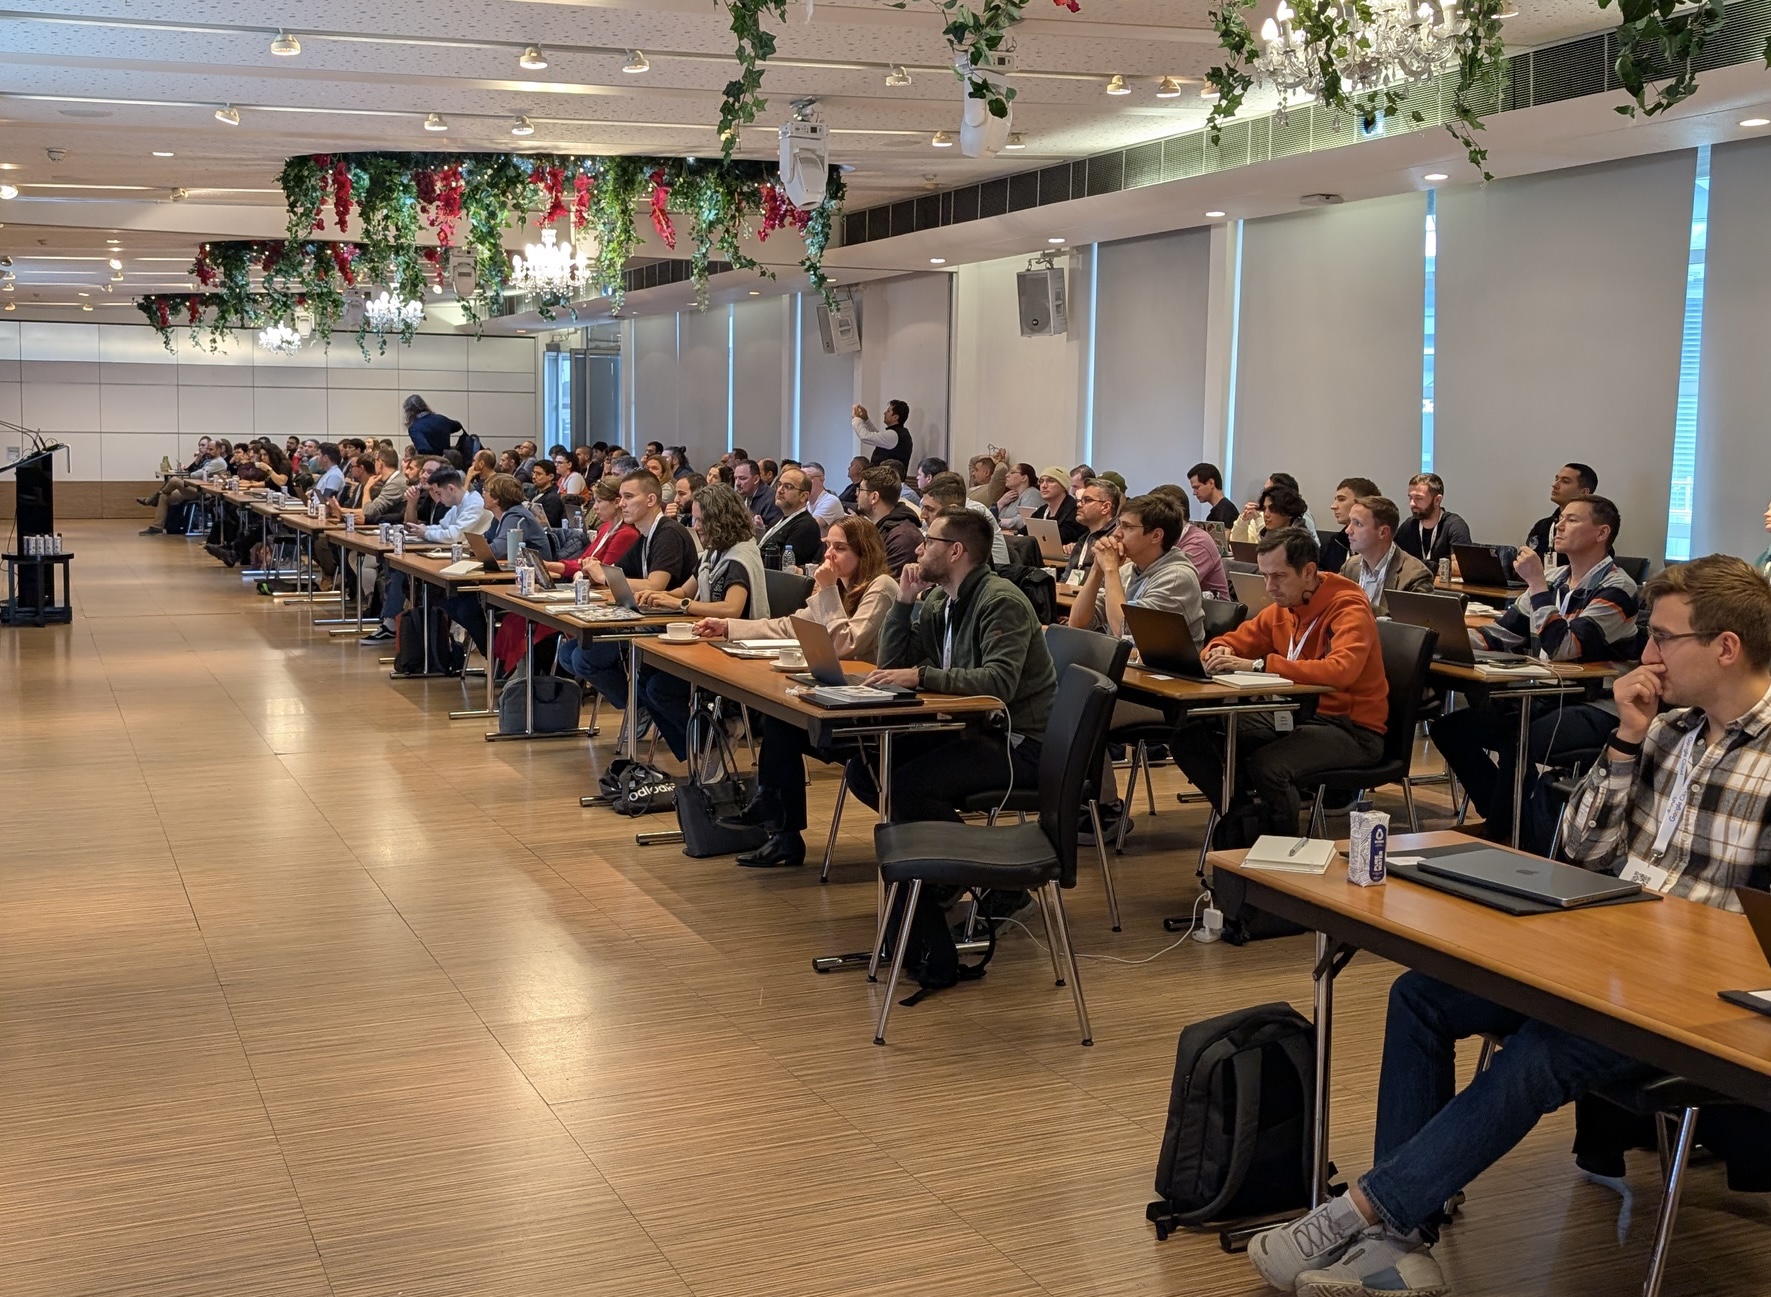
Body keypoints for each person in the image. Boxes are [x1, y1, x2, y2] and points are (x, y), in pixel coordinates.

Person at [1246, 553, 1771, 1297]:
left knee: (1540, 1052)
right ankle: (1402, 1237)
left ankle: (1365, 1212)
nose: (1647, 653)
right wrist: (1625, 738)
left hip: (1692, 996)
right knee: (1420, 995)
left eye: (1662, 638)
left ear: (1725, 647)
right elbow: (1581, 849)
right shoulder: (1669, 732)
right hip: (1607, 952)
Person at [1430, 495, 1641, 846]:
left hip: (1596, 704)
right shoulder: (1555, 578)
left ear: (1602, 532)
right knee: (1451, 729)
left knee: (1517, 738)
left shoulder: (1618, 588)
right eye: (1560, 518)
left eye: (1572, 519)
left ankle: (1503, 830)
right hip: (1546, 696)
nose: (1559, 525)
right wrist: (1448, 640)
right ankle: (1508, 821)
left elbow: (1565, 648)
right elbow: (1502, 634)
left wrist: (1538, 587)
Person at [706, 517, 901, 867]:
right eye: (828, 546)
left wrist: (826, 592)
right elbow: (790, 626)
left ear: (864, 552)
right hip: (836, 693)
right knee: (781, 719)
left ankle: (777, 820)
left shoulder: (881, 587)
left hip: (868, 709)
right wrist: (729, 626)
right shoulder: (837, 588)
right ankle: (782, 832)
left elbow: (847, 644)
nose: (829, 555)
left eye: (840, 548)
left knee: (785, 724)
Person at [846, 508, 1058, 825]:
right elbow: (891, 666)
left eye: (929, 541)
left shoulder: (1001, 602)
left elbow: (998, 684)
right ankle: (932, 850)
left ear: (955, 551)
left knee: (908, 787)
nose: (919, 549)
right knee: (866, 770)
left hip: (1018, 741)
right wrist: (903, 601)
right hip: (972, 728)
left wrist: (921, 675)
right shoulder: (939, 600)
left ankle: (956, 853)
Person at [1174, 528, 1388, 838]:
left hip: (1351, 728)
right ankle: (1243, 818)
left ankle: (1280, 848)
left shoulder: (1348, 608)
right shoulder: (1284, 608)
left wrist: (1262, 664)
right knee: (1191, 738)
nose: (1269, 586)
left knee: (1269, 766)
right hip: (1297, 714)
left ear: (1308, 572)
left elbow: (1342, 671)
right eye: (1264, 576)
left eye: (1278, 576)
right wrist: (1219, 649)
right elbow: (1235, 640)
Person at [633, 484, 771, 762]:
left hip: (735, 650)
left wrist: (681, 604)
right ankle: (704, 745)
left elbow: (731, 608)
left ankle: (715, 736)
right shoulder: (713, 554)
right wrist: (657, 598)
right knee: (645, 676)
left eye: (700, 520)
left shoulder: (740, 557)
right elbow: (685, 591)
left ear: (720, 520)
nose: (695, 527)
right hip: (709, 642)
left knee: (660, 688)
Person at [554, 470, 699, 712]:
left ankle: (640, 707)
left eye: (629, 497)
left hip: (667, 623)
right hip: (642, 616)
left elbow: (655, 584)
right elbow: (616, 572)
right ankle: (640, 704)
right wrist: (596, 571)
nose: (622, 503)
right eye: (621, 497)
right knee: (569, 653)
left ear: (651, 500)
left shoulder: (668, 532)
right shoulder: (644, 536)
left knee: (583, 657)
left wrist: (603, 575)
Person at [1067, 491, 1205, 644]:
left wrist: (1110, 570)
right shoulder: (1127, 570)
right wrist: (1097, 570)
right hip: (1121, 656)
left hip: (1159, 660)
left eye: (1127, 526)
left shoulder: (1177, 578)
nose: (1116, 533)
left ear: (1156, 536)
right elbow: (1077, 622)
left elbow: (1125, 633)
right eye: (1119, 524)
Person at [445, 474, 546, 662]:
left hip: (531, 582)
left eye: (485, 491)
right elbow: (485, 544)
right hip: (508, 576)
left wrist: (477, 550)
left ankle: (495, 657)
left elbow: (497, 550)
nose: (482, 494)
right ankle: (493, 654)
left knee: (465, 605)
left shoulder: (516, 516)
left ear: (497, 498)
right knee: (454, 600)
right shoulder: (499, 517)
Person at [1340, 495, 1434, 616]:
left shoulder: (1415, 575)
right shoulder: (1350, 566)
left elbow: (1412, 623)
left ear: (1383, 532)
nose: (1348, 530)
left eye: (1358, 524)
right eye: (1350, 522)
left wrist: (1358, 604)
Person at [1151, 484, 1231, 599]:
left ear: (1177, 514)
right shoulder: (1166, 538)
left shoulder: (1198, 542)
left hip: (1210, 609)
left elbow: (1172, 585)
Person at [919, 472, 1009, 567]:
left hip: (995, 570)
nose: (922, 515)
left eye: (930, 509)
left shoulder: (972, 517)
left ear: (952, 509)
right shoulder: (934, 519)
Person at [854, 466, 925, 575]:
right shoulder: (883, 529)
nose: (856, 494)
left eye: (860, 489)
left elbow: (885, 582)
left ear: (874, 497)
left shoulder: (902, 538)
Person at [1394, 472, 1472, 570]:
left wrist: (1424, 567)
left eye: (1419, 498)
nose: (1412, 503)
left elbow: (1461, 567)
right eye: (1410, 498)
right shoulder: (1409, 525)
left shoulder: (1455, 526)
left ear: (1437, 500)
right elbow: (1394, 559)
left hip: (1439, 581)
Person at [1525, 461, 1600, 556]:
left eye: (1565, 481)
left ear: (1584, 493)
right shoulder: (1542, 526)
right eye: (1556, 479)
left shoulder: (1592, 528)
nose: (1555, 485)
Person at [1057, 478, 1121, 585]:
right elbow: (1065, 579)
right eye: (1079, 500)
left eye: (1087, 500)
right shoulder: (1083, 539)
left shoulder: (1116, 538)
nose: (1079, 505)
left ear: (1105, 507)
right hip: (1070, 593)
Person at [757, 466, 824, 568]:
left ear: (803, 496)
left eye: (788, 487)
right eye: (779, 484)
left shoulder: (806, 526)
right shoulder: (775, 521)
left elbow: (785, 567)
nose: (780, 490)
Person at [1319, 476, 1380, 576]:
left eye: (1341, 499)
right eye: (1335, 500)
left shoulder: (1380, 545)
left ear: (1363, 503)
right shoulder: (1336, 542)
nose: (1333, 506)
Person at [1231, 473, 1318, 542]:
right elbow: (1238, 546)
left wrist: (1259, 522)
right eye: (1265, 508)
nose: (1266, 514)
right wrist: (1243, 521)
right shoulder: (1262, 519)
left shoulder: (1300, 537)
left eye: (1273, 509)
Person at [1028, 466, 1086, 544]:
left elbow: (1060, 539)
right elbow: (1024, 531)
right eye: (1041, 481)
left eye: (1051, 481)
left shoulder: (1075, 511)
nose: (1043, 485)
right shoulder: (1042, 510)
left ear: (1063, 486)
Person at [853, 399, 913, 469]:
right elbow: (876, 435)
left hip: (887, 475)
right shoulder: (898, 433)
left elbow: (865, 436)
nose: (884, 413)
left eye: (888, 411)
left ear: (895, 417)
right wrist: (865, 419)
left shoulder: (893, 435)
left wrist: (856, 418)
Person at [732, 458, 781, 528]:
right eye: (735, 478)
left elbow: (774, 531)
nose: (737, 483)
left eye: (742, 478)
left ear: (756, 479)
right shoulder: (739, 496)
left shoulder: (772, 499)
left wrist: (761, 528)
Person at [1188, 462, 1241, 527]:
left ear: (1211, 483)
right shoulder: (1218, 512)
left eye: (1197, 487)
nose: (1194, 493)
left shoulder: (1227, 511)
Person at [802, 461, 846, 534]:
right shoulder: (806, 503)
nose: (803, 483)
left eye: (808, 478)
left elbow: (809, 527)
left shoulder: (830, 501)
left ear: (821, 480)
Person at [527, 458, 565, 528]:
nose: (534, 477)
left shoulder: (553, 498)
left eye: (538, 474)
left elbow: (548, 525)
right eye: (533, 473)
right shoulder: (536, 492)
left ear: (550, 476)